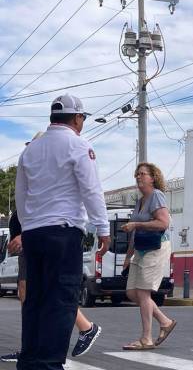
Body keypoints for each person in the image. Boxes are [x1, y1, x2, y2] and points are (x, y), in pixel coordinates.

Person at [15, 95, 111, 369]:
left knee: (35, 299)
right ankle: (48, 364)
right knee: (60, 300)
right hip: (63, 232)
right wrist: (103, 229)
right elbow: (91, 191)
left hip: (34, 234)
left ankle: (30, 360)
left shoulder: (30, 149)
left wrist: (28, 225)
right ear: (77, 118)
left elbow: (22, 195)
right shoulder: (79, 145)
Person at [0, 209, 102, 362]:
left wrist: (26, 235)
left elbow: (51, 213)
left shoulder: (48, 194)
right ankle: (31, 347)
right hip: (29, 243)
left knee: (36, 292)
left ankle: (86, 327)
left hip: (35, 241)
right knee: (31, 294)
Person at [121, 163, 176, 350]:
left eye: (142, 174)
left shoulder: (157, 196)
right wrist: (128, 256)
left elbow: (163, 223)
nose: (138, 177)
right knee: (132, 292)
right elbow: (134, 232)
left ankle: (146, 339)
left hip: (156, 247)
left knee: (143, 293)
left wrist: (136, 224)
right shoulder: (140, 201)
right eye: (137, 174)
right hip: (141, 249)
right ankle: (164, 321)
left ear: (153, 178)